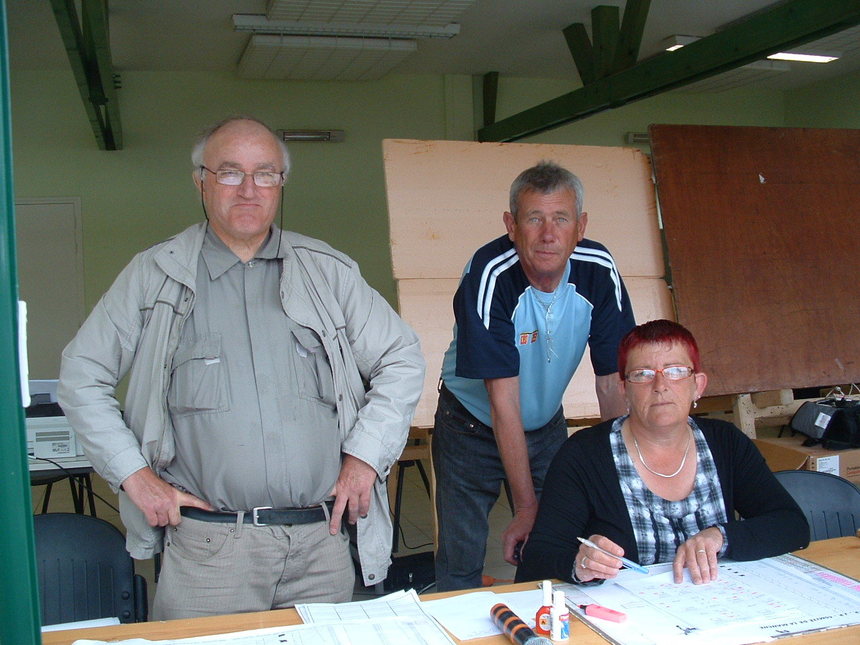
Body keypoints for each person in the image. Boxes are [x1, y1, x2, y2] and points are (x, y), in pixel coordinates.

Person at [58, 116, 425, 618]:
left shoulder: (328, 273)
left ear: (281, 184)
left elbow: (400, 358)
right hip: (210, 555)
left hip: (322, 545)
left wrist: (365, 458)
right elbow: (81, 376)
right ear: (200, 181)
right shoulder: (155, 275)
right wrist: (135, 475)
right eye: (230, 173)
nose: (248, 189)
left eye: (265, 173)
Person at [433, 161, 635, 591]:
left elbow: (611, 381)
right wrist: (524, 507)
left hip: (544, 425)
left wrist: (616, 479)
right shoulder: (490, 274)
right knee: (462, 553)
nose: (548, 234)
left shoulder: (598, 268)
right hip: (471, 423)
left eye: (561, 219)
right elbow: (502, 401)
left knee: (559, 542)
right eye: (534, 219)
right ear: (511, 225)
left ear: (580, 225)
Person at [516, 319, 810, 586]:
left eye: (676, 372)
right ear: (624, 390)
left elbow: (790, 524)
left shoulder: (726, 442)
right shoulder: (583, 454)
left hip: (721, 608)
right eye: (642, 375)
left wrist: (721, 536)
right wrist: (579, 564)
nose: (660, 386)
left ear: (698, 385)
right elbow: (539, 556)